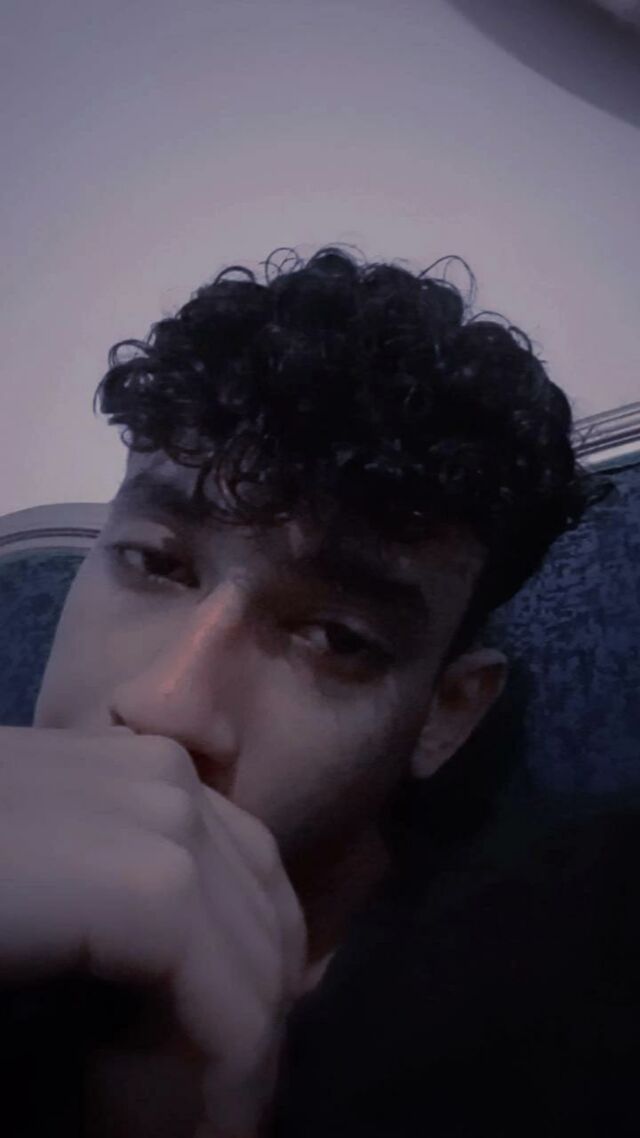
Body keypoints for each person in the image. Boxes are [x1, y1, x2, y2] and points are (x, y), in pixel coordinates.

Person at [0, 246, 611, 1137]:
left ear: (444, 714)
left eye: (336, 638)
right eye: (156, 561)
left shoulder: (565, 977)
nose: (167, 705)